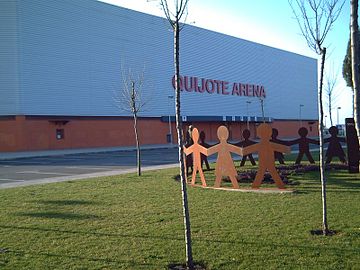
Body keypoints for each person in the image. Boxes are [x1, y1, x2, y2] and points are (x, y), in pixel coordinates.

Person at [243, 123, 290, 189]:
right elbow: (285, 149)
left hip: (264, 162)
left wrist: (241, 151)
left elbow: (245, 151)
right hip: (267, 162)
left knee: (263, 173)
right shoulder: (269, 144)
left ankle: (256, 186)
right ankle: (280, 186)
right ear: (270, 133)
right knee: (270, 172)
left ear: (258, 134)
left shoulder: (261, 144)